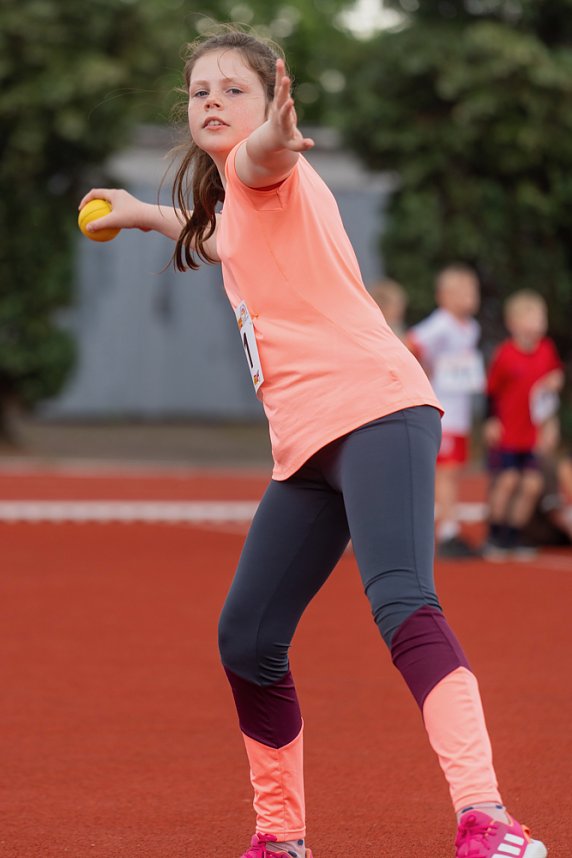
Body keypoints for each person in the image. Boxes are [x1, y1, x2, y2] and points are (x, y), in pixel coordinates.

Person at [79, 28, 547, 858]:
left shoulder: (269, 173)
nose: (213, 101)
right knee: (248, 638)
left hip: (376, 413)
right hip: (305, 450)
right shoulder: (233, 207)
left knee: (403, 602)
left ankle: (488, 819)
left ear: (270, 103)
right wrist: (144, 212)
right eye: (199, 92)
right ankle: (280, 836)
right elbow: (217, 229)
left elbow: (261, 163)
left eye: (234, 89)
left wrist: (273, 138)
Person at [407, 265, 485, 559]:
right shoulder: (441, 324)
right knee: (446, 472)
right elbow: (411, 343)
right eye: (461, 291)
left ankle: (449, 525)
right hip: (443, 411)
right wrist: (422, 373)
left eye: (472, 290)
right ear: (443, 296)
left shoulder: (472, 328)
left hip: (460, 412)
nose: (469, 297)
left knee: (454, 471)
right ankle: (447, 530)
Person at [483, 290, 564, 559]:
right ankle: (495, 535)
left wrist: (550, 423)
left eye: (540, 318)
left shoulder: (547, 350)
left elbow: (551, 389)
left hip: (532, 435)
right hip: (509, 434)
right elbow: (491, 391)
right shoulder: (505, 355)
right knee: (507, 481)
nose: (536, 324)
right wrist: (491, 420)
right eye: (529, 318)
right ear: (513, 323)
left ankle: (515, 536)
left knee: (531, 485)